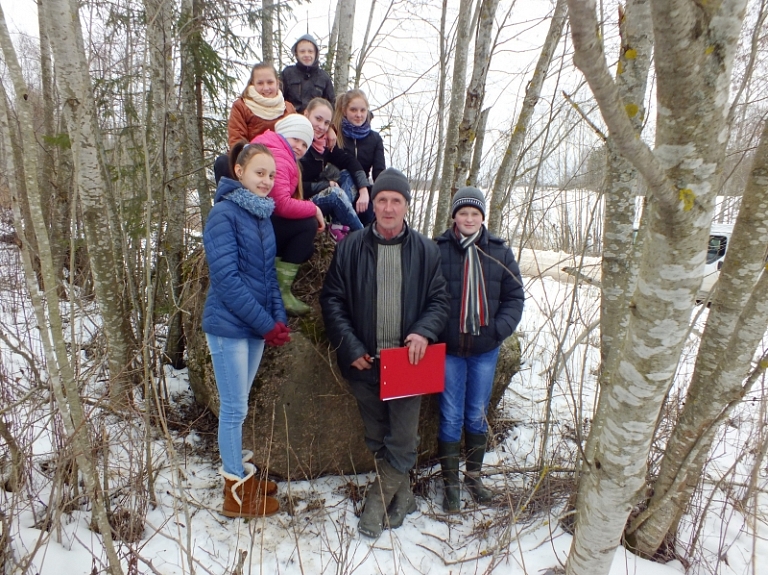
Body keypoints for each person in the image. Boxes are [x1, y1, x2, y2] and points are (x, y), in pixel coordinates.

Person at [320, 168, 450, 538]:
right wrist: (351, 347)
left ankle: (377, 501)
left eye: (396, 201)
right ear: (372, 204)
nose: (389, 207)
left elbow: (439, 300)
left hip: (408, 364)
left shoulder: (426, 250)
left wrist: (425, 332)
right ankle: (404, 496)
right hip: (365, 361)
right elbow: (332, 300)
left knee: (404, 439)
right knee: (376, 435)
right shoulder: (350, 247)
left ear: (407, 205)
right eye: (382, 200)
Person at [203, 142, 292, 518]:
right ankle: (234, 493)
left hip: (254, 327)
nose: (266, 181)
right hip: (228, 327)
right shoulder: (223, 214)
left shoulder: (262, 217)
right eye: (259, 172)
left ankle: (240, 475)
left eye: (272, 175)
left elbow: (269, 277)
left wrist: (279, 319)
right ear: (238, 171)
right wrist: (264, 323)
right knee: (234, 408)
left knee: (239, 408)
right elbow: (226, 279)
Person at [435, 187, 525, 513]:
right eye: (463, 213)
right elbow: (425, 296)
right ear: (454, 216)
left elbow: (515, 297)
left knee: (475, 414)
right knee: (450, 415)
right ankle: (450, 485)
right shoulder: (438, 249)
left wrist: (498, 331)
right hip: (449, 350)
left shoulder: (499, 252)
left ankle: (473, 477)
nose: (469, 219)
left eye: (475, 214)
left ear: (482, 217)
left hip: (485, 349)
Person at [252, 114, 325, 316]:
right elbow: (281, 205)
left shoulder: (269, 148)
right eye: (296, 139)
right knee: (308, 224)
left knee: (305, 249)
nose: (300, 147)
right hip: (258, 226)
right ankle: (281, 292)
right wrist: (314, 209)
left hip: (257, 222)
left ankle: (273, 280)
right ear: (283, 134)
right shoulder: (279, 157)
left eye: (305, 144)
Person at [300, 98, 370, 241]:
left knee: (348, 175)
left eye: (326, 123)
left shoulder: (322, 145)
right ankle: (364, 238)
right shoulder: (296, 142)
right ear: (306, 114)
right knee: (334, 193)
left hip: (318, 197)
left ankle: (337, 225)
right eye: (318, 119)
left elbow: (350, 161)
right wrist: (326, 185)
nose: (321, 126)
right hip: (300, 201)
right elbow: (295, 186)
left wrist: (364, 189)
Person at [214, 62, 296, 183]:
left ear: (277, 83)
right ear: (252, 84)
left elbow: (295, 140)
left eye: (270, 82)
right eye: (260, 83)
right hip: (248, 159)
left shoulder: (288, 108)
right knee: (222, 162)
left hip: (280, 161)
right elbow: (237, 140)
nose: (266, 88)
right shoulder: (241, 106)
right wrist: (256, 162)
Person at [333, 89, 386, 226]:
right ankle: (338, 226)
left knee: (370, 213)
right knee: (347, 175)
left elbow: (379, 172)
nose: (359, 115)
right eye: (353, 110)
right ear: (345, 111)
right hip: (339, 186)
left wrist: (378, 197)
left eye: (363, 110)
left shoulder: (375, 139)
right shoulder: (335, 134)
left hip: (363, 192)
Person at [281, 34, 335, 113]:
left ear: (316, 54)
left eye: (310, 51)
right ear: (296, 53)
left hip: (316, 122)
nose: (306, 55)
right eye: (302, 51)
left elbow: (331, 104)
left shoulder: (323, 77)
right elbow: (279, 99)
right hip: (291, 119)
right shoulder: (288, 73)